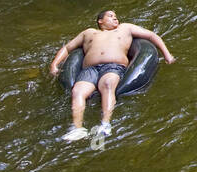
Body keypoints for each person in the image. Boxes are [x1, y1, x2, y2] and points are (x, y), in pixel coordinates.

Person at [50, 10, 176, 142]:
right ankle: (77, 128)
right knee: (77, 91)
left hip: (113, 66)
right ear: (100, 21)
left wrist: (167, 55)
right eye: (111, 16)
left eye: (116, 17)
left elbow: (151, 36)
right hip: (90, 69)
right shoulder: (88, 33)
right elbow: (67, 48)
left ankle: (105, 124)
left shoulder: (125, 28)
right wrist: (54, 65)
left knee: (108, 84)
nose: (116, 19)